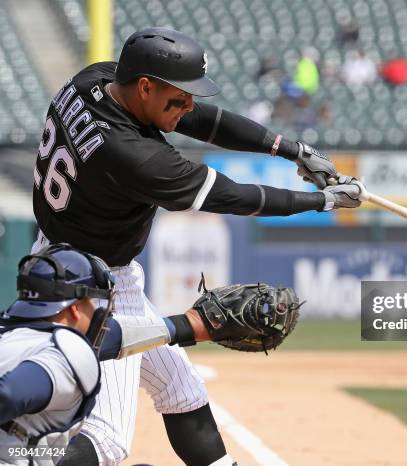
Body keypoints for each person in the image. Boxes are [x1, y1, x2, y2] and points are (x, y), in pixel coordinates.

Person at [31, 26, 361, 466]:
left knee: (179, 388)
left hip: (61, 259)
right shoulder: (138, 157)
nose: (187, 106)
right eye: (179, 97)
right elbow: (236, 196)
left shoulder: (96, 81)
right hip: (94, 288)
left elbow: (205, 120)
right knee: (107, 439)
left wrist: (291, 149)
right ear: (146, 87)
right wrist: (320, 201)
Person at [0, 243, 222, 465]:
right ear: (75, 309)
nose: (100, 312)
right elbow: (8, 393)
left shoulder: (13, 330)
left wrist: (189, 325)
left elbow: (113, 338)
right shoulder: (66, 349)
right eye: (92, 302)